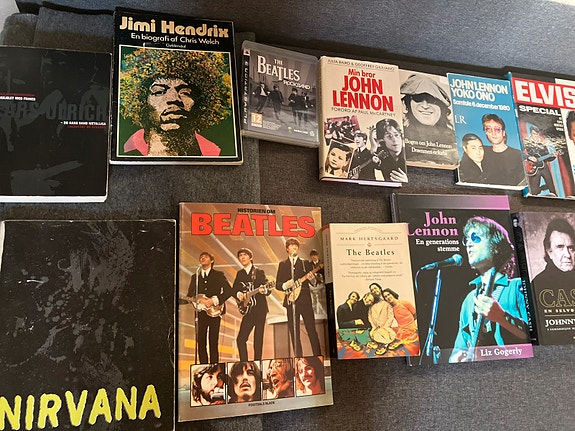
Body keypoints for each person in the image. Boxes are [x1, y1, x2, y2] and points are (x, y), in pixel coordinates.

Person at [119, 48, 230, 157]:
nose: (174, 99)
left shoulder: (216, 154)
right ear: (141, 101)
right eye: (159, 91)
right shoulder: (127, 150)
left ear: (201, 102)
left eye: (185, 92)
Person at [449, 216, 530, 363]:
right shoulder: (469, 300)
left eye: (475, 237)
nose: (468, 244)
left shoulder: (517, 286)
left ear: (495, 245)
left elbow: (534, 337)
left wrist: (502, 317)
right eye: (466, 239)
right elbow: (458, 348)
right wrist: (456, 358)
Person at [275, 238, 322, 357]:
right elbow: (277, 284)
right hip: (291, 301)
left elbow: (314, 283)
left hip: (305, 301)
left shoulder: (305, 263)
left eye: (296, 245)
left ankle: (317, 356)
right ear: (287, 249)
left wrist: (312, 279)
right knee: (294, 332)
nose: (294, 247)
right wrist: (285, 285)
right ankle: (298, 358)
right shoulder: (283, 264)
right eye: (291, 245)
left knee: (311, 330)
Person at [186, 251, 233, 364]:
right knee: (201, 341)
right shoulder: (195, 277)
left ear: (212, 260)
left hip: (215, 312)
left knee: (213, 340)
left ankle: (214, 366)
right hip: (200, 312)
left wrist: (215, 300)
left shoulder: (218, 275)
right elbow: (190, 295)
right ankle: (203, 366)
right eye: (201, 257)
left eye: (205, 257)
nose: (202, 258)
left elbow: (229, 291)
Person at [400, 73, 455, 155]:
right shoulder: (400, 139)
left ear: (442, 106)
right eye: (418, 98)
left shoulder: (455, 142)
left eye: (431, 100)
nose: (425, 106)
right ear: (408, 104)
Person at [233, 248, 272, 361]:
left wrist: (264, 290)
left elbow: (267, 288)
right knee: (241, 339)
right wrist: (239, 294)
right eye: (240, 255)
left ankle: (257, 363)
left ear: (250, 257)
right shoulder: (240, 274)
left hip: (260, 309)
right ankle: (244, 363)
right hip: (248, 311)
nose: (242, 257)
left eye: (245, 255)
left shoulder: (259, 272)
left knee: (258, 339)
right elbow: (234, 289)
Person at [481, 113, 526, 186]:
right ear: (485, 132)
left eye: (497, 129)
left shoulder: (518, 155)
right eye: (489, 129)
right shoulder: (481, 152)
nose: (493, 133)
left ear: (503, 132)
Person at [531, 218, 575, 289]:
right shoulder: (538, 284)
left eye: (571, 248)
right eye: (560, 247)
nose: (568, 255)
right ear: (549, 252)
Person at [369, 118, 408, 183]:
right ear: (382, 140)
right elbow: (370, 164)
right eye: (389, 136)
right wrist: (373, 147)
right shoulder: (381, 153)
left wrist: (406, 182)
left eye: (396, 135)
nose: (395, 140)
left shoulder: (410, 155)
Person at [523, 125, 557, 196]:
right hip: (533, 168)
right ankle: (540, 189)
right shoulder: (526, 142)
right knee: (534, 191)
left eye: (536, 134)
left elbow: (547, 157)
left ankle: (554, 197)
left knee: (551, 186)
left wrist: (553, 156)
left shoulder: (542, 144)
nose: (535, 136)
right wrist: (529, 157)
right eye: (534, 134)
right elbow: (520, 153)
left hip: (544, 166)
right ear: (531, 133)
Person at [367, 283, 397, 355]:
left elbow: (390, 317)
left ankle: (385, 345)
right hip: (375, 329)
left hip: (386, 329)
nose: (374, 290)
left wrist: (385, 327)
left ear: (380, 289)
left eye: (375, 288)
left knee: (388, 337)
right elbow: (370, 317)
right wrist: (373, 327)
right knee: (374, 336)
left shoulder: (386, 303)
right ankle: (380, 344)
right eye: (372, 290)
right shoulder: (371, 305)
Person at [308, 249, 326, 317]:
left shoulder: (322, 263)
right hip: (313, 285)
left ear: (317, 255)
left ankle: (323, 311)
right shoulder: (309, 265)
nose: (313, 256)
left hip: (322, 283)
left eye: (315, 255)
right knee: (313, 300)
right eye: (312, 255)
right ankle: (315, 312)